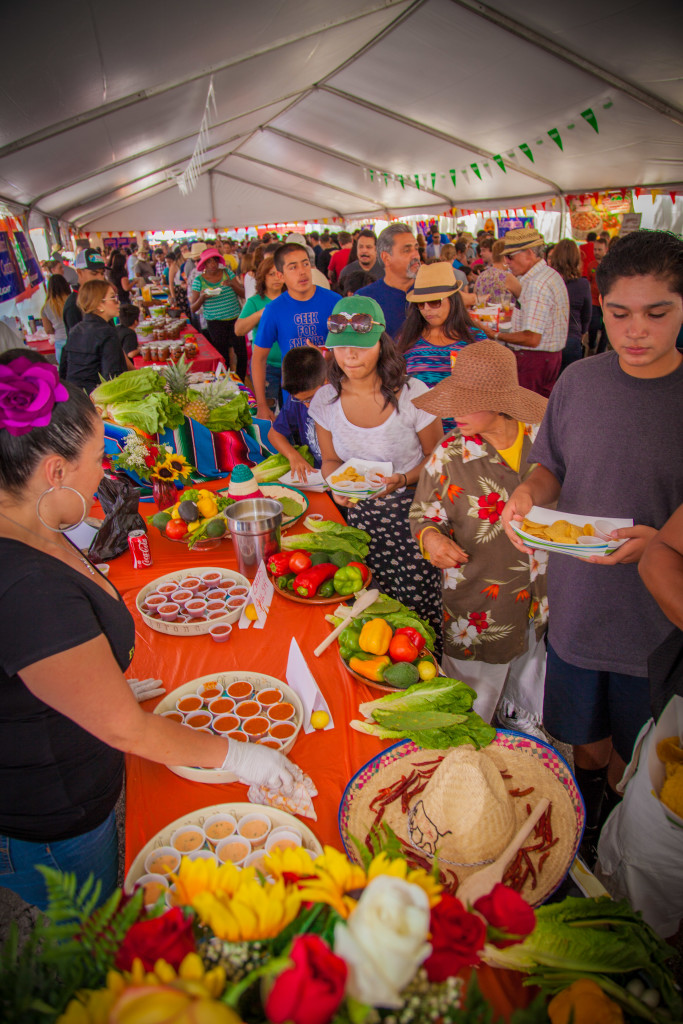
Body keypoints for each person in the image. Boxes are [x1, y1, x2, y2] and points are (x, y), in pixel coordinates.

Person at [0, 350, 301, 910]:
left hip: (69, 756)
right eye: (97, 459)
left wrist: (94, 680)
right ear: (54, 472)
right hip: (55, 813)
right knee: (90, 938)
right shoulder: (26, 585)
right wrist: (238, 756)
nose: (106, 473)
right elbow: (126, 730)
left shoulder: (36, 522)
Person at [502, 229, 683, 862]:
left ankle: (612, 835)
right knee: (583, 736)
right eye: (619, 313)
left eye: (657, 313)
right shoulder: (578, 382)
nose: (636, 330)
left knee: (637, 757)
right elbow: (550, 465)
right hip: (578, 607)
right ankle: (583, 831)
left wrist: (659, 543)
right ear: (599, 306)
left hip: (656, 625)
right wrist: (529, 492)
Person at [409, 341, 549, 729]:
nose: (454, 411)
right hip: (478, 607)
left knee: (528, 685)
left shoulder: (545, 442)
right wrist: (432, 540)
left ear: (502, 401)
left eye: (466, 401)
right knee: (471, 708)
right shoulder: (450, 455)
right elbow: (422, 515)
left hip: (541, 600)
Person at [309, 295, 443, 648]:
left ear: (383, 344)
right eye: (341, 347)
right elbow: (330, 461)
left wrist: (403, 479)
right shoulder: (326, 400)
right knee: (373, 605)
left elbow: (437, 456)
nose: (350, 355)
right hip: (361, 520)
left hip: (413, 517)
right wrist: (334, 486)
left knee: (417, 607)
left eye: (361, 346)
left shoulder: (414, 394)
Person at [251, 242, 338, 421]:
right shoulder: (274, 310)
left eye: (305, 263)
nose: (302, 271)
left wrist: (330, 355)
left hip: (334, 394)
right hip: (295, 400)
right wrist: (261, 405)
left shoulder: (335, 301)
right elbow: (258, 359)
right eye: (293, 267)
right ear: (280, 275)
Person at [398, 263, 486, 433]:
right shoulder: (407, 340)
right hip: (420, 434)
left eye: (434, 302)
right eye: (420, 304)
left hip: (466, 435)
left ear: (453, 299)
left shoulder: (476, 340)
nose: (427, 309)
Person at [485, 227, 569, 398]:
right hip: (546, 358)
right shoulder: (547, 275)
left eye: (510, 256)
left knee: (526, 412)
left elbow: (532, 338)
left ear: (529, 253)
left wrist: (496, 335)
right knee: (537, 409)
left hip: (535, 360)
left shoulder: (536, 284)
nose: (507, 262)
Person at [267, 346, 326, 479]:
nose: (306, 405)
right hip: (316, 476)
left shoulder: (342, 402)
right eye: (300, 400)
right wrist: (294, 456)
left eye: (310, 398)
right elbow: (275, 434)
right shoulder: (296, 401)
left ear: (326, 380)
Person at [59, 280, 127, 393]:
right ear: (99, 305)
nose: (118, 302)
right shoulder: (107, 333)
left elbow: (64, 368)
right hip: (97, 400)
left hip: (74, 397)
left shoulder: (75, 330)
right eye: (113, 298)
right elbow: (112, 378)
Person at [235, 256, 285, 408]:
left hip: (291, 365)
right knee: (267, 408)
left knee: (291, 410)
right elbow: (239, 329)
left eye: (280, 274)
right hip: (266, 366)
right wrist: (261, 313)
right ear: (262, 277)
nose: (276, 278)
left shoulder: (291, 299)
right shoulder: (255, 302)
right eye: (271, 274)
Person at [189, 247, 246, 379]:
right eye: (209, 262)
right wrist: (202, 298)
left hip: (236, 319)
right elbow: (193, 308)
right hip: (215, 323)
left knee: (241, 353)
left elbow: (244, 294)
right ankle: (226, 382)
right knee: (222, 355)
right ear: (204, 264)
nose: (213, 264)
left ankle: (241, 381)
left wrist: (233, 285)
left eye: (215, 261)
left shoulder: (227, 274)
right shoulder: (199, 281)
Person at [357, 224, 421, 340]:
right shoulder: (364, 300)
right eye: (407, 250)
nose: (415, 255)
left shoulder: (431, 292)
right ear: (386, 258)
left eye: (416, 248)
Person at [547, 239, 592, 370]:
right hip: (571, 339)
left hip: (550, 340)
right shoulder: (583, 285)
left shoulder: (548, 282)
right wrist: (582, 333)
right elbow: (586, 315)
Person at [62, 248, 106, 334]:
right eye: (94, 273)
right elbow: (79, 342)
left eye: (102, 273)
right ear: (79, 272)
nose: (100, 278)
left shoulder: (97, 298)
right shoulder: (74, 305)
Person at [475, 239, 521, 305]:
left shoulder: (481, 276)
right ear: (505, 257)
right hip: (504, 314)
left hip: (483, 314)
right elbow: (522, 297)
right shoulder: (507, 278)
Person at [337, 229, 383, 294]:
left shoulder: (386, 271)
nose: (364, 250)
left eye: (368, 247)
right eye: (361, 247)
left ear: (376, 249)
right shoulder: (347, 272)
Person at [584, 237, 609, 353]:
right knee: (593, 325)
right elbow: (589, 281)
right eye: (595, 250)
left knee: (606, 329)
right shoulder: (591, 265)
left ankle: (600, 352)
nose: (597, 252)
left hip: (607, 303)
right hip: (594, 301)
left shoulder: (610, 266)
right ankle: (592, 345)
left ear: (606, 250)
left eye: (599, 250)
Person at [40, 273, 70, 366]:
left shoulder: (46, 307)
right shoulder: (73, 300)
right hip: (76, 339)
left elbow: (48, 330)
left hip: (60, 342)